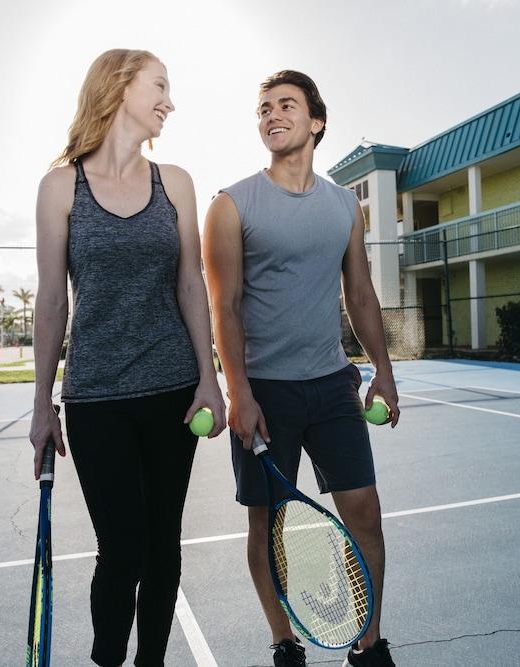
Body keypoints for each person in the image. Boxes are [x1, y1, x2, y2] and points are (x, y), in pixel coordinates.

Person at [29, 48, 225, 667]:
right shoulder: (61, 186)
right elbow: (51, 302)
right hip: (95, 400)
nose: (170, 100)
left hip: (173, 393)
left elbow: (191, 285)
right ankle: (108, 659)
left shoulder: (177, 182)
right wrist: (42, 406)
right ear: (119, 87)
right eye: (160, 86)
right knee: (121, 550)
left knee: (163, 547)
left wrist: (209, 380)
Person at [203, 70, 400, 667]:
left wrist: (383, 373)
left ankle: (368, 646)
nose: (271, 115)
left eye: (285, 105)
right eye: (263, 108)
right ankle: (284, 642)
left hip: (333, 385)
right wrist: (238, 392)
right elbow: (225, 307)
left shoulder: (344, 205)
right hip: (265, 392)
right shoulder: (231, 205)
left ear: (316, 121)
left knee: (364, 510)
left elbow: (360, 295)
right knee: (268, 524)